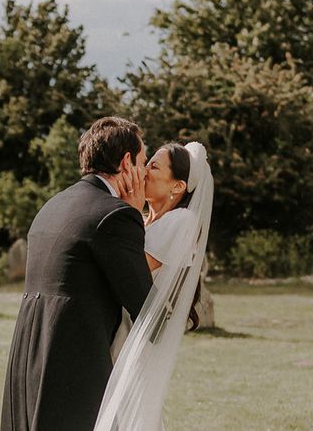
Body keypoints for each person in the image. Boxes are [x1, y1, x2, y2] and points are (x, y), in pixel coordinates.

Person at [0, 116, 153, 431]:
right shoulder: (116, 215)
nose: (146, 172)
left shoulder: (53, 205)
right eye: (143, 162)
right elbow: (144, 304)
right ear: (127, 163)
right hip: (74, 366)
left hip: (29, 359)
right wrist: (137, 215)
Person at [95, 141, 214, 431]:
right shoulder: (147, 220)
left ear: (177, 187)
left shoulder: (182, 221)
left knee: (127, 413)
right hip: (117, 327)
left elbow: (129, 268)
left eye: (154, 166)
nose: (143, 171)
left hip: (136, 334)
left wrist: (129, 210)